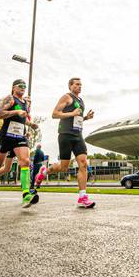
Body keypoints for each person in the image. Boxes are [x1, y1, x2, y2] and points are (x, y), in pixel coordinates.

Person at [0, 79, 39, 208]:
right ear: (13, 88)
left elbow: (22, 119)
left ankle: (26, 194)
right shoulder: (10, 99)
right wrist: (15, 111)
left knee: (25, 161)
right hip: (6, 136)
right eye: (20, 86)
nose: (23, 88)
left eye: (24, 86)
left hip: (19, 137)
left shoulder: (25, 102)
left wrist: (30, 124)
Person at [46, 77, 95, 208]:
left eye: (81, 85)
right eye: (77, 84)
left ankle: (83, 197)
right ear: (70, 86)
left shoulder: (81, 100)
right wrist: (72, 113)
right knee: (63, 167)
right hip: (65, 135)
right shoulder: (66, 97)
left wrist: (85, 118)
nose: (80, 86)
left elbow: (76, 119)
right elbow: (55, 114)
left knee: (83, 164)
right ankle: (44, 172)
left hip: (78, 135)